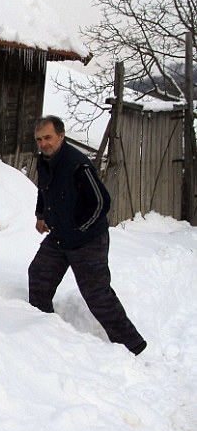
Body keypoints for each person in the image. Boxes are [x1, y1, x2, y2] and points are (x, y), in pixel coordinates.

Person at [28, 115, 147, 355]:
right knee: (39, 275)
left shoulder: (77, 163)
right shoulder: (44, 161)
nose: (44, 143)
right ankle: (41, 330)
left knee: (97, 295)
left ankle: (133, 346)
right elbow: (44, 190)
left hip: (88, 241)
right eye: (40, 139)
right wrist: (41, 214)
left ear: (61, 136)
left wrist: (81, 229)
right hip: (60, 236)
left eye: (48, 138)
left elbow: (102, 201)